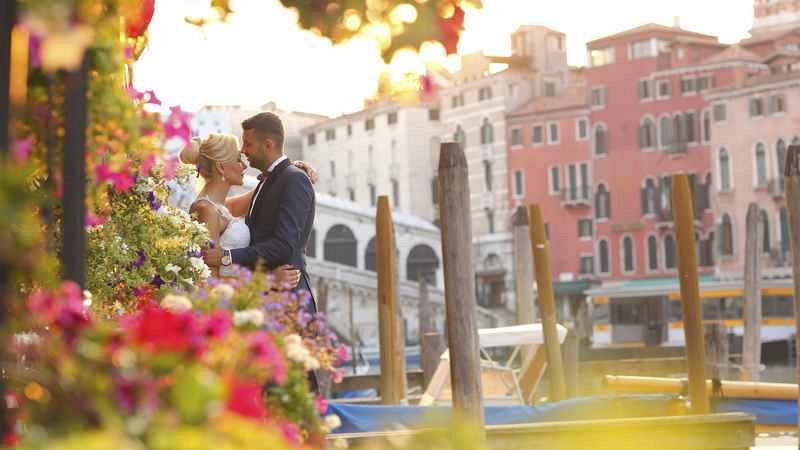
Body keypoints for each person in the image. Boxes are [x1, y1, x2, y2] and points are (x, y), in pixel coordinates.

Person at [202, 113, 318, 391]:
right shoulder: (266, 183)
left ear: (268, 145)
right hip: (265, 293)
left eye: (249, 144)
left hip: (286, 294)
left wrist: (228, 256)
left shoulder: (291, 180)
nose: (244, 152)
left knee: (296, 387)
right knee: (274, 386)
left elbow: (284, 244)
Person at [179, 133, 300, 286]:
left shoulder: (222, 207)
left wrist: (292, 170)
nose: (244, 165)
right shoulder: (206, 210)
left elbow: (265, 188)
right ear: (220, 166)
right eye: (238, 159)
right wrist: (268, 280)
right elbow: (210, 281)